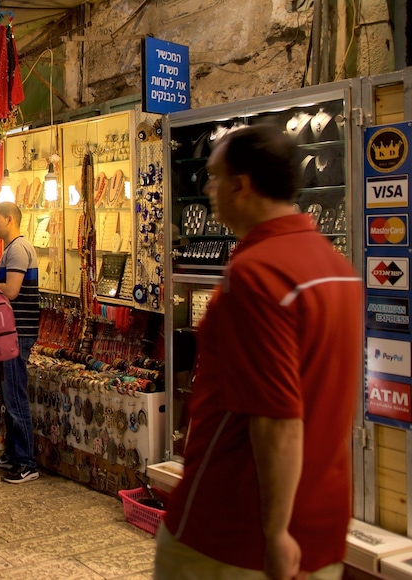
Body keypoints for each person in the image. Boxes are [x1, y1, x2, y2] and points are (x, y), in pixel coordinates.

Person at [154, 125, 362, 580]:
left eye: (214, 177)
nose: (207, 188)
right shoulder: (338, 269)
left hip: (235, 529)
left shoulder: (257, 274)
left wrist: (275, 531)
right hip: (321, 520)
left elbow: (275, 419)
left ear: (241, 185)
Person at [0, 202, 40, 484]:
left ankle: (27, 462)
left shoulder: (18, 249)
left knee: (15, 397)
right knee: (9, 396)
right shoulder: (11, 249)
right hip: (10, 331)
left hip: (17, 333)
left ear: (10, 219)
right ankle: (14, 454)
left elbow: (11, 290)